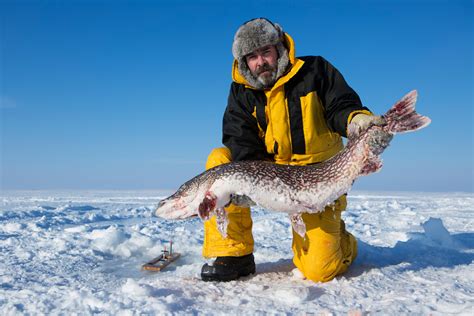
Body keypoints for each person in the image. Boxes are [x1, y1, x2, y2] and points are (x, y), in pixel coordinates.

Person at [200, 18, 381, 282]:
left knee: (319, 270)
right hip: (272, 176)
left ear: (279, 49)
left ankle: (344, 243)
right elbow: (240, 139)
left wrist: (356, 119)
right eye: (252, 56)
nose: (260, 62)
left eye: (265, 52)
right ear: (244, 62)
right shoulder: (241, 91)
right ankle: (234, 254)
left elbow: (339, 105)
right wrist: (250, 185)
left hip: (318, 179)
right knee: (220, 160)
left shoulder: (315, 70)